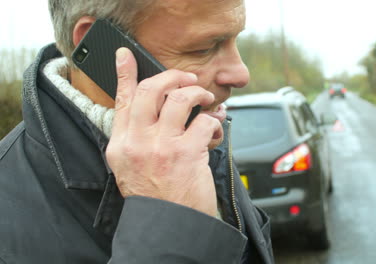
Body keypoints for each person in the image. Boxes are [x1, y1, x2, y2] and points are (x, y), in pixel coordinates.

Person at [0, 0, 274, 263]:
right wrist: (172, 227)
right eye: (203, 49)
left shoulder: (190, 135)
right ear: (97, 41)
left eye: (234, 40)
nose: (241, 74)